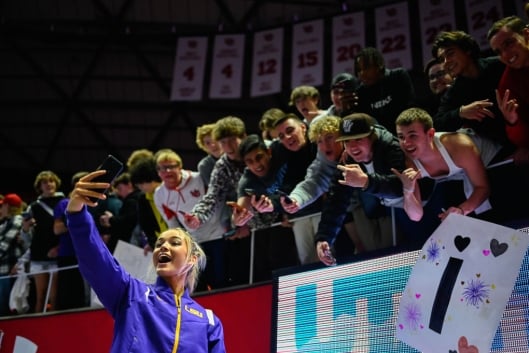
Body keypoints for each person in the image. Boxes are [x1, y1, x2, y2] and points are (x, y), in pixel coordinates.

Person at [65, 170, 225, 352]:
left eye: (174, 242)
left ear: (192, 258)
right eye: (159, 243)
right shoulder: (131, 293)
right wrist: (76, 214)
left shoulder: (209, 321)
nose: (163, 247)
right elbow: (96, 259)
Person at [315, 113, 407, 266]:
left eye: (358, 139)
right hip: (391, 207)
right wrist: (324, 238)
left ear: (372, 137)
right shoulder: (348, 158)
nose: (352, 147)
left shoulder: (391, 147)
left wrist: (366, 181)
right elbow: (335, 200)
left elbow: (400, 186)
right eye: (346, 141)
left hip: (423, 205)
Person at [393, 107, 491, 223]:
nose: (406, 143)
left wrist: (462, 210)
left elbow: (483, 188)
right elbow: (416, 216)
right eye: (401, 137)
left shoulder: (460, 146)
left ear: (430, 134)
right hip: (459, 174)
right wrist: (407, 191)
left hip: (492, 159)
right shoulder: (408, 163)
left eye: (413, 135)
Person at [185, 116, 251, 285]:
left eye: (231, 140)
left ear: (243, 136)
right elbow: (213, 196)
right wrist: (197, 216)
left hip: (273, 220)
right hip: (241, 224)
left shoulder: (258, 151)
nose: (227, 146)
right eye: (223, 141)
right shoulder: (221, 166)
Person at [153, 148, 226, 290]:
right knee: (197, 285)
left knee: (221, 281)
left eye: (171, 166)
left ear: (180, 167)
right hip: (195, 243)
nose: (167, 171)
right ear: (158, 172)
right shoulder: (159, 194)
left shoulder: (198, 178)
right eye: (162, 168)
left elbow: (219, 200)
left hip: (218, 235)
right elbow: (172, 223)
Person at [431, 30, 512, 154]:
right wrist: (461, 112)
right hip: (502, 149)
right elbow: (437, 124)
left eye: (450, 53)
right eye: (442, 59)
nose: (446, 62)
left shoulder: (499, 65)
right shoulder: (454, 92)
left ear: (467, 50)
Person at [488, 15, 529, 163]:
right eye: (498, 52)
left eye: (509, 43)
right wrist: (513, 121)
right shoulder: (506, 85)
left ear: (526, 35)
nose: (505, 55)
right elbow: (522, 141)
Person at [24, 170, 66, 313]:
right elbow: (26, 237)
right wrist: (25, 229)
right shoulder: (33, 206)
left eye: (51, 181)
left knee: (54, 297)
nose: (48, 184)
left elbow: (69, 230)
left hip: (57, 254)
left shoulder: (64, 202)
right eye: (44, 182)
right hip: (38, 254)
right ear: (39, 186)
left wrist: (60, 247)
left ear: (56, 183)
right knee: (40, 296)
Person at [354, 47, 415, 134]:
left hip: (404, 134)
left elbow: (411, 109)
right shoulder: (360, 93)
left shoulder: (398, 77)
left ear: (379, 65)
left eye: (367, 67)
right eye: (359, 70)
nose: (362, 73)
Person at [53, 172, 88, 310]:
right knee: (70, 297)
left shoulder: (95, 202)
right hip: (69, 254)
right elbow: (57, 229)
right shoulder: (64, 203)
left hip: (90, 253)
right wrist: (77, 221)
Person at [129, 157, 168, 252]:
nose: (140, 187)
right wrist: (152, 243)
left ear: (152, 179)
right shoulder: (143, 198)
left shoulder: (169, 191)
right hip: (162, 242)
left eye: (142, 183)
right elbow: (146, 225)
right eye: (138, 184)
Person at [99, 172, 142, 252]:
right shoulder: (135, 199)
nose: (118, 192)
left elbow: (127, 222)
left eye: (120, 188)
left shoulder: (132, 201)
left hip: (131, 243)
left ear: (129, 185)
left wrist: (110, 219)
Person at [0, 194, 27, 315]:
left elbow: (4, 244)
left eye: (2, 206)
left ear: (7, 206)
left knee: (7, 306)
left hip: (9, 270)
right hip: (3, 270)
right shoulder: (5, 223)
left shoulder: (17, 220)